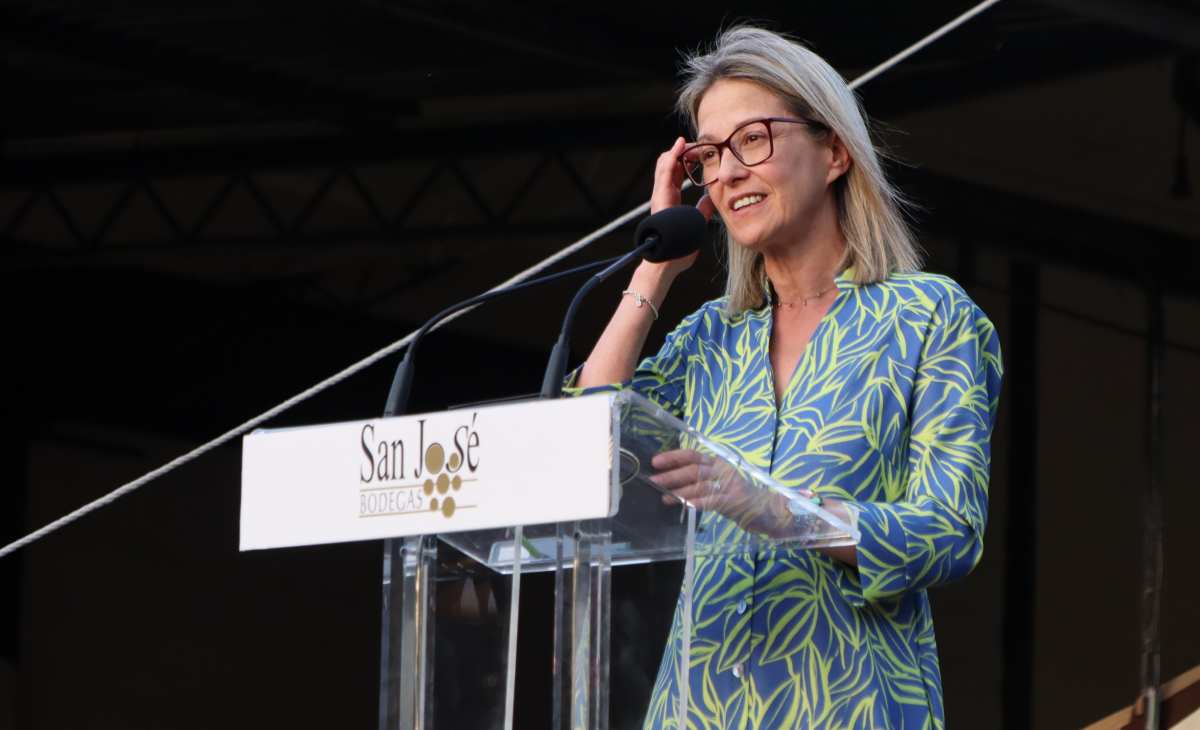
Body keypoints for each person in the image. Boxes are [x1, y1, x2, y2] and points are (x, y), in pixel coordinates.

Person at [569, 25, 1004, 730]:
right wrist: (658, 261)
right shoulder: (710, 336)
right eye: (709, 156)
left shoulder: (930, 318)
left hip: (851, 704)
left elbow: (948, 530)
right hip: (698, 708)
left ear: (834, 151)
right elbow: (583, 444)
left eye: (753, 140)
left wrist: (781, 511)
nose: (728, 171)